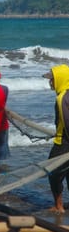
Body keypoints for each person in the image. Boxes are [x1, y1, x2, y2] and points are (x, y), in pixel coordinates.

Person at [43, 64, 69, 213]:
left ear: (60, 79)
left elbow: (67, 121)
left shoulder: (61, 99)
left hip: (63, 143)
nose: (50, 82)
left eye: (52, 79)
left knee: (54, 174)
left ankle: (59, 206)